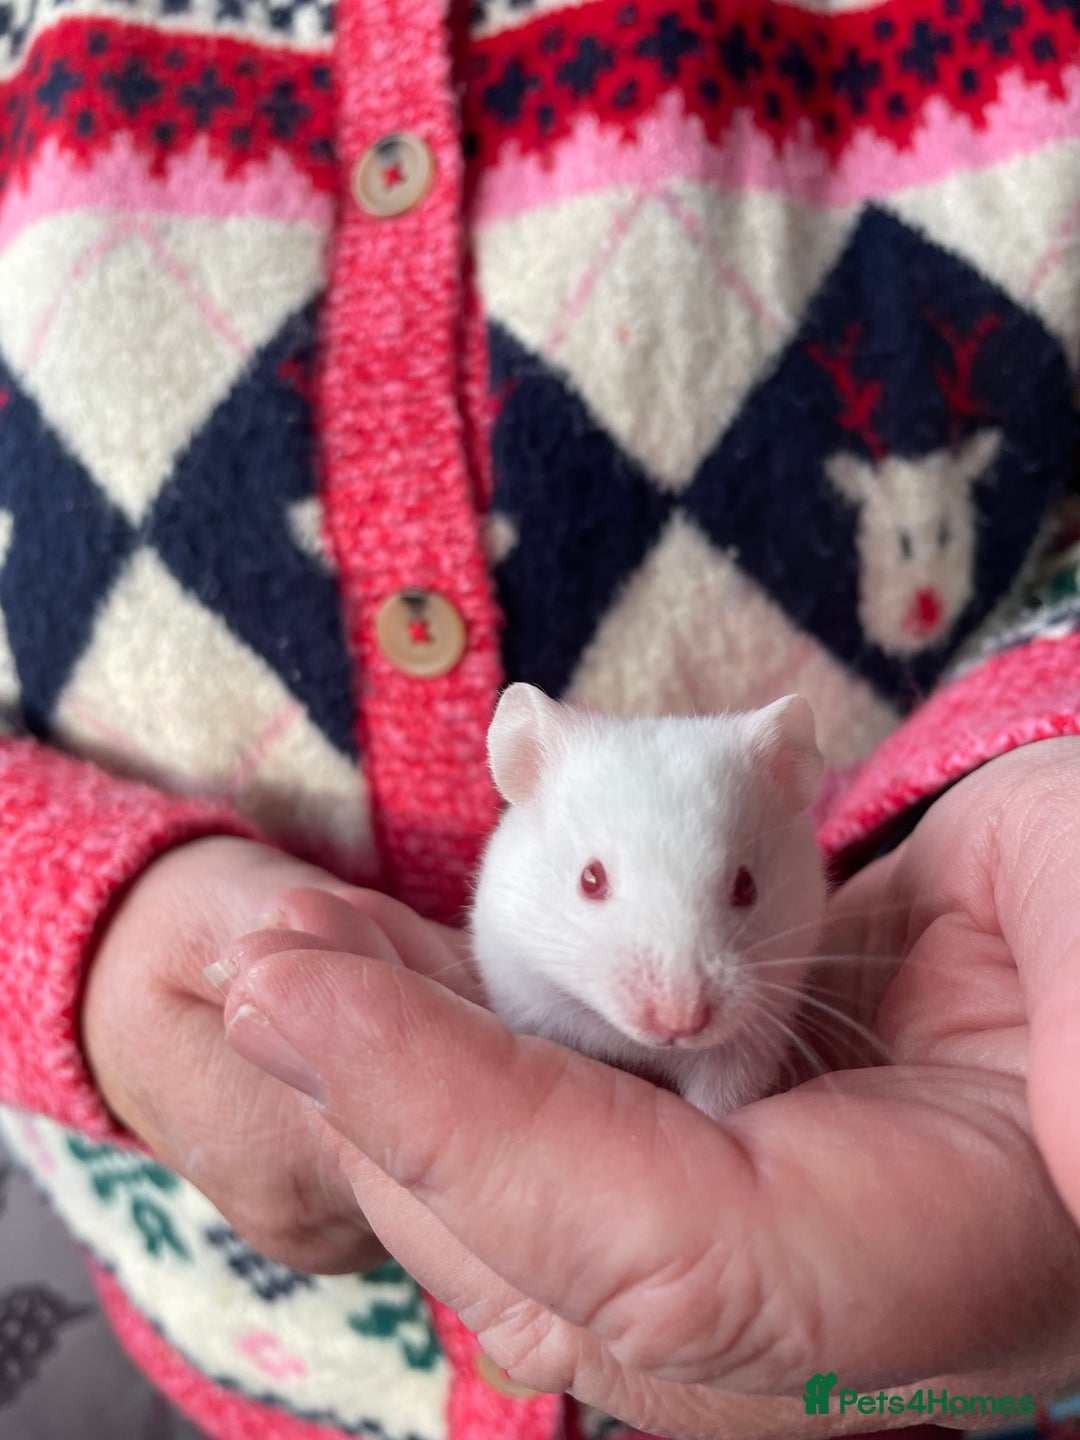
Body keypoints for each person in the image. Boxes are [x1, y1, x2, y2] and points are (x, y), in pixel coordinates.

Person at [0, 0, 1078, 1434]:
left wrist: (1046, 753)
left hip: (930, 1386)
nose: (675, 997)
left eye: (744, 890)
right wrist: (83, 932)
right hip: (259, 1350)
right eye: (587, 885)